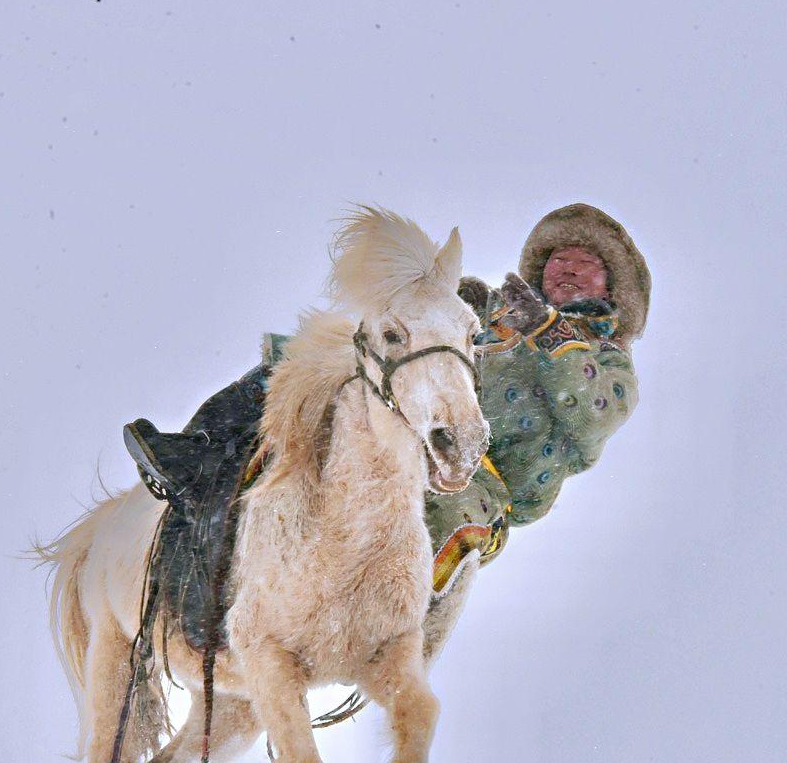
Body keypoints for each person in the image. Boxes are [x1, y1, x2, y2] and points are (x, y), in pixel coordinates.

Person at [123, 202, 651, 668]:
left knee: (440, 516)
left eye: (588, 263)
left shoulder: (609, 363)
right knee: (304, 359)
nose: (570, 267)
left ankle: (382, 639)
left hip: (473, 474)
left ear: (612, 288)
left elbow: (597, 413)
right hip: (401, 422)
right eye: (560, 257)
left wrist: (547, 333)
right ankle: (199, 453)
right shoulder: (492, 308)